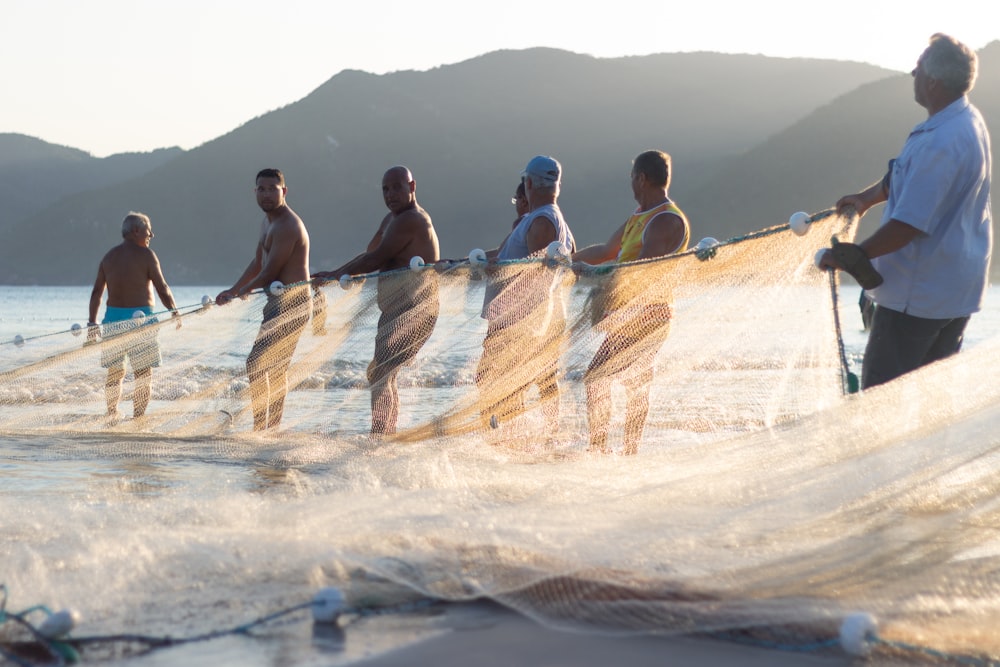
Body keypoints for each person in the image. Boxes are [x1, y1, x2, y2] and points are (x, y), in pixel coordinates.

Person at [818, 34, 992, 390]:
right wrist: (866, 198)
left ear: (932, 81)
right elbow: (905, 175)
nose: (912, 72)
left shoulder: (941, 142)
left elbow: (908, 224)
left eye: (918, 67)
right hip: (955, 294)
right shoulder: (966, 119)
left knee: (881, 404)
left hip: (918, 299)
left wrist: (856, 255)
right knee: (930, 404)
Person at [573, 150, 690, 455]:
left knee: (601, 378)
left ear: (641, 178)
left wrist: (593, 274)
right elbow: (608, 249)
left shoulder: (665, 219)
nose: (631, 186)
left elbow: (641, 269)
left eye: (632, 178)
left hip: (649, 314)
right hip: (627, 314)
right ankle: (617, 450)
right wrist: (567, 260)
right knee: (625, 381)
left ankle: (612, 450)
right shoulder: (639, 216)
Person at [312, 166, 440, 436]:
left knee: (380, 372)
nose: (390, 194)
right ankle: (385, 433)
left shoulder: (412, 220)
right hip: (395, 309)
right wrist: (337, 272)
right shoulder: (391, 219)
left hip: (415, 310)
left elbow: (377, 258)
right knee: (382, 372)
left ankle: (380, 434)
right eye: (385, 189)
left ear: (412, 187)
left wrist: (337, 275)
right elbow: (369, 253)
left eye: (397, 187)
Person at [476, 156, 577, 433]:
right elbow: (508, 256)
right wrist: (460, 264)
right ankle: (507, 438)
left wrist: (499, 270)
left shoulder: (543, 221)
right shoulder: (543, 218)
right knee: (495, 381)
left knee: (497, 381)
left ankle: (509, 441)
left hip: (517, 319)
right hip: (514, 318)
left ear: (529, 183)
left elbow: (536, 275)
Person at [216, 168, 311, 431]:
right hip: (275, 303)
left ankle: (265, 427)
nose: (267, 194)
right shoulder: (267, 222)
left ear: (284, 191)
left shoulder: (287, 225)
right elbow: (259, 262)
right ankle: (266, 427)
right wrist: (233, 289)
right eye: (262, 189)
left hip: (294, 302)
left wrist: (241, 291)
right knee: (269, 366)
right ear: (255, 192)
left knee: (258, 363)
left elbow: (270, 271)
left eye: (272, 188)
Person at [87, 211, 180, 422]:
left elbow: (96, 293)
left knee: (114, 374)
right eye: (148, 230)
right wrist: (174, 310)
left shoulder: (108, 257)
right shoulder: (147, 255)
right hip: (141, 321)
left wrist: (92, 322)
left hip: (112, 320)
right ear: (136, 231)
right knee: (143, 374)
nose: (151, 235)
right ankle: (138, 419)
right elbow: (162, 287)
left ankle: (111, 415)